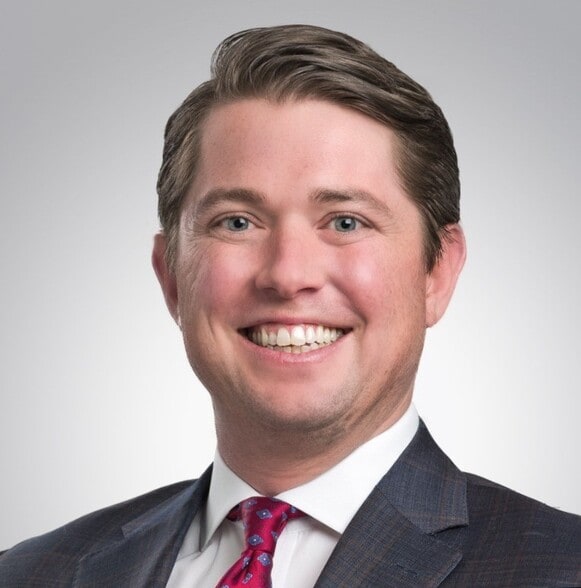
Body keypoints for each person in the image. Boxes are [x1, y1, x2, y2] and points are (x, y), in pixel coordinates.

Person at [1, 24, 579, 587]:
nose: (287, 274)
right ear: (171, 277)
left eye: (345, 222)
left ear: (437, 273)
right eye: (237, 222)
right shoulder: (27, 574)